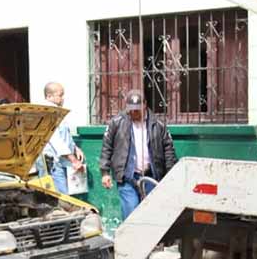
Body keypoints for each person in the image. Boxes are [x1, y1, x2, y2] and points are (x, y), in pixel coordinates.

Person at [99, 91, 177, 221]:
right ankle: (129, 240)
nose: (134, 113)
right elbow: (107, 147)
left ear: (145, 105)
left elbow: (168, 150)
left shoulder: (158, 124)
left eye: (137, 110)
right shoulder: (117, 122)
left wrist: (170, 175)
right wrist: (105, 172)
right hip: (127, 176)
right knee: (131, 212)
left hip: (151, 176)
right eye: (131, 110)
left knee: (151, 213)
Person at [41, 82, 85, 194]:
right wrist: (73, 160)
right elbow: (56, 141)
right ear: (49, 96)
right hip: (53, 164)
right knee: (61, 198)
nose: (62, 98)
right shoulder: (49, 113)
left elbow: (64, 134)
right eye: (60, 95)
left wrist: (75, 148)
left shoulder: (57, 111)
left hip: (61, 163)